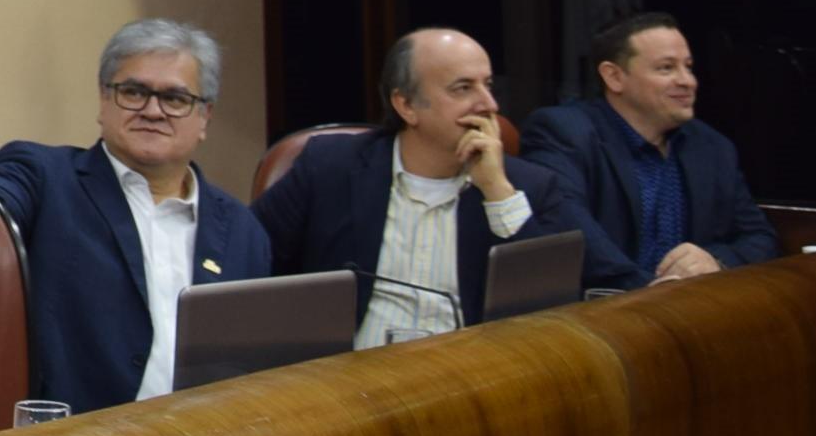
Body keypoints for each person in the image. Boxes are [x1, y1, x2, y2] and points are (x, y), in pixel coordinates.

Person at [0, 18, 271, 415]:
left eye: (175, 98)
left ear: (205, 116)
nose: (153, 110)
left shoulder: (242, 229)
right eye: (133, 92)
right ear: (103, 99)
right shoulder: (45, 177)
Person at [253, 27, 625, 343]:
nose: (488, 104)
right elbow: (252, 256)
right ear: (406, 105)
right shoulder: (330, 167)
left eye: (488, 85)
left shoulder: (528, 185)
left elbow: (558, 309)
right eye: (463, 88)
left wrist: (497, 192)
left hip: (471, 384)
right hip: (346, 384)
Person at [520, 12, 778, 286]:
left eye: (688, 67)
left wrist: (716, 260)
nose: (687, 81)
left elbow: (760, 238)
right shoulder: (564, 132)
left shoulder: (712, 146)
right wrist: (651, 293)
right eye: (666, 68)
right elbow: (571, 236)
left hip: (695, 308)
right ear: (614, 77)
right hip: (603, 314)